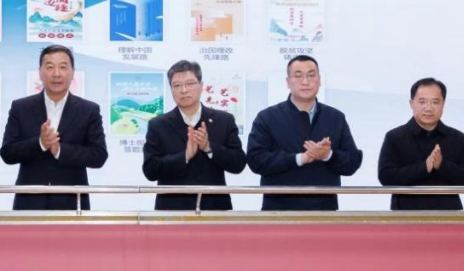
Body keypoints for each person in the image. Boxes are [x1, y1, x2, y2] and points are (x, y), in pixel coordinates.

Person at [246, 55, 362, 210]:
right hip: (278, 210)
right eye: (298, 75)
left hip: (325, 209)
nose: (305, 82)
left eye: (311, 75)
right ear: (288, 82)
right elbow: (256, 160)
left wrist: (328, 155)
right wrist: (299, 158)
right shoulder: (267, 117)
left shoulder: (335, 117)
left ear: (319, 80)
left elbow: (352, 162)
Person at [0, 45, 108, 210]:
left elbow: (99, 156)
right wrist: (40, 143)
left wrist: (60, 150)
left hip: (72, 204)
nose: (56, 73)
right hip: (29, 204)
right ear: (40, 72)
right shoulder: (21, 107)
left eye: (63, 67)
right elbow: (7, 153)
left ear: (72, 72)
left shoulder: (88, 110)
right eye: (50, 67)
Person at [142, 60, 246, 210]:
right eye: (177, 85)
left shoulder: (224, 120)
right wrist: (184, 156)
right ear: (171, 89)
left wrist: (209, 148)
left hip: (215, 209)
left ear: (201, 85)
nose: (184, 90)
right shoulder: (158, 125)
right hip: (171, 210)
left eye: (190, 83)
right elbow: (150, 171)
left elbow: (238, 164)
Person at [378, 77, 464, 210]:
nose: (429, 108)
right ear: (411, 103)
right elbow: (386, 178)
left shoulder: (458, 138)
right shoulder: (395, 137)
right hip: (405, 215)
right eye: (422, 102)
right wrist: (424, 167)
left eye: (435, 102)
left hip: (449, 215)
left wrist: (442, 165)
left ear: (443, 104)